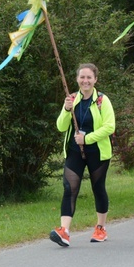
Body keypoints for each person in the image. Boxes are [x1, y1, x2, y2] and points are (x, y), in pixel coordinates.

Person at [50, 63, 116, 247]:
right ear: (77, 79)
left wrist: (87, 139)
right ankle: (64, 231)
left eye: (89, 77)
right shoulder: (71, 99)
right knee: (69, 188)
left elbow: (110, 127)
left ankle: (100, 228)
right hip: (74, 151)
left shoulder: (103, 100)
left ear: (95, 79)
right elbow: (61, 127)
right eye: (82, 77)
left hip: (98, 152)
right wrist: (65, 109)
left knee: (98, 188)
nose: (85, 81)